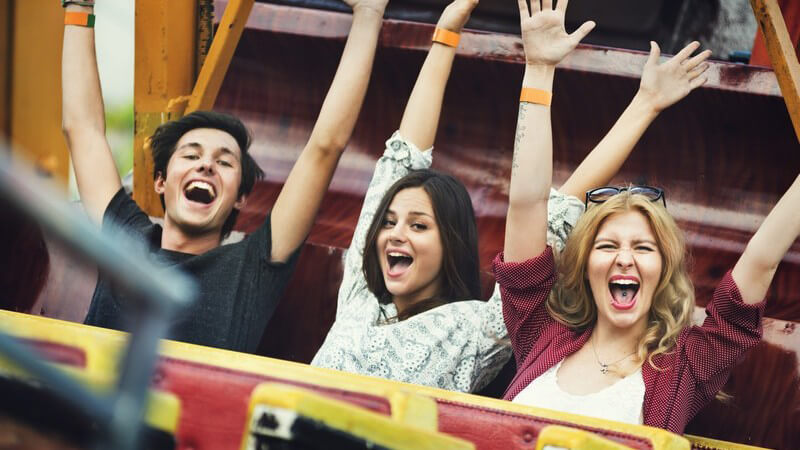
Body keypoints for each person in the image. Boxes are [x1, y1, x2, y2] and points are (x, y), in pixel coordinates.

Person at [311, 0, 708, 393]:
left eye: (418, 225)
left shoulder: (478, 329)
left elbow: (547, 209)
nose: (396, 233)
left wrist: (645, 105)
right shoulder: (361, 294)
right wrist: (447, 33)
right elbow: (400, 162)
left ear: (452, 243)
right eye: (390, 223)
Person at [496, 0, 797, 434]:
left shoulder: (686, 367)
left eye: (642, 247)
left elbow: (762, 259)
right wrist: (539, 70)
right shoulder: (540, 330)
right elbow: (526, 205)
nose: (624, 258)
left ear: (662, 270)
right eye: (607, 245)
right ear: (584, 268)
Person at [60, 0, 389, 353]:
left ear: (240, 198)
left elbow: (325, 148)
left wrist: (368, 15)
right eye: (191, 155)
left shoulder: (251, 269)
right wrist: (79, 8)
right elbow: (82, 129)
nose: (206, 165)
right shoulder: (125, 238)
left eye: (225, 162)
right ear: (161, 181)